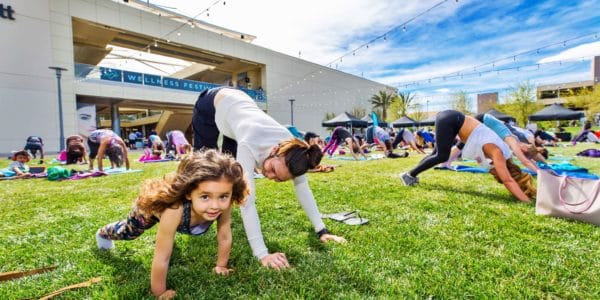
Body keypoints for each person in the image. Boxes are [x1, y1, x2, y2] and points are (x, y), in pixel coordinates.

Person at [192, 87, 346, 269]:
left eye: (278, 179)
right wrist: (262, 254)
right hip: (212, 103)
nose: (268, 176)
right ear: (275, 151)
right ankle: (186, 212)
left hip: (239, 112)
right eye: (272, 168)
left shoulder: (296, 150)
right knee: (204, 169)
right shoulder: (249, 142)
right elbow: (247, 202)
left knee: (229, 177)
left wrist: (322, 230)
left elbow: (303, 188)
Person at [96, 150, 249, 298]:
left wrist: (221, 266)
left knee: (169, 234)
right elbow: (162, 257)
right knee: (128, 233)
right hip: (150, 211)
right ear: (189, 193)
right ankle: (102, 233)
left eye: (223, 196)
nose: (215, 205)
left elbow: (224, 236)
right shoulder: (174, 210)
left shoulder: (225, 205)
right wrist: (160, 292)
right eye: (205, 197)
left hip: (177, 219)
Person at [400, 110, 532, 203]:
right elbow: (508, 180)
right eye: (497, 175)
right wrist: (526, 201)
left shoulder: (498, 155)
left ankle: (412, 175)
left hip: (453, 122)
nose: (494, 174)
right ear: (504, 168)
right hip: (452, 119)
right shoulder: (498, 154)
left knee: (437, 154)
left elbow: (507, 178)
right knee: (442, 155)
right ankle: (409, 175)